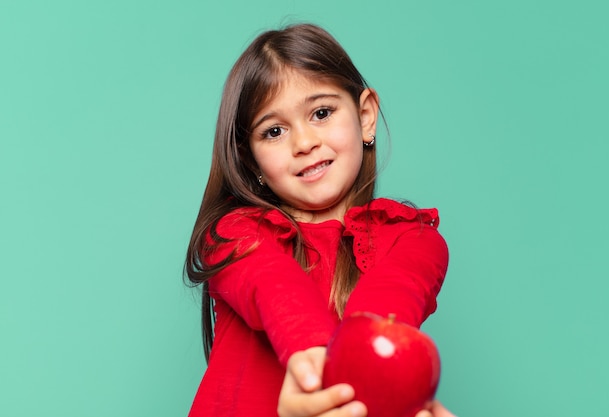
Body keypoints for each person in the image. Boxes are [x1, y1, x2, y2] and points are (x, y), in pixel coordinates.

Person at [185, 23, 452, 417]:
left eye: (321, 113)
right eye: (274, 131)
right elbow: (273, 287)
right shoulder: (232, 235)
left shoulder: (414, 240)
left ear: (365, 116)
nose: (304, 143)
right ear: (250, 159)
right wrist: (316, 367)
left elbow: (389, 303)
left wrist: (349, 377)